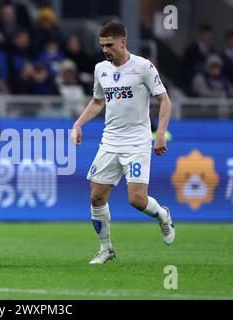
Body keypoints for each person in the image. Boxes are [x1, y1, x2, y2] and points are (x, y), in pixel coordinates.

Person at [71, 21, 175, 265]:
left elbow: (165, 101)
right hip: (110, 141)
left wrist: (159, 134)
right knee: (96, 197)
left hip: (137, 142)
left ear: (123, 42)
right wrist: (78, 124)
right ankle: (106, 249)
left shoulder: (143, 67)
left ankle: (163, 214)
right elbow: (98, 101)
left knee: (137, 200)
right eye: (102, 45)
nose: (105, 50)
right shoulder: (100, 69)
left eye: (109, 45)